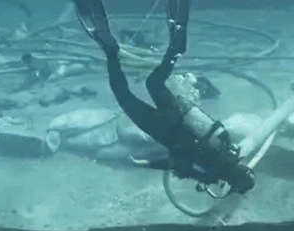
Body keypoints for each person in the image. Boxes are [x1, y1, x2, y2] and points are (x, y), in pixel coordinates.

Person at [72, 0, 255, 195]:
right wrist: (144, 164)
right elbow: (172, 163)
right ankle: (110, 51)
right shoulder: (209, 173)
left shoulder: (231, 149)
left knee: (154, 83)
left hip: (178, 113)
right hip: (164, 130)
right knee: (124, 96)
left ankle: (176, 50)